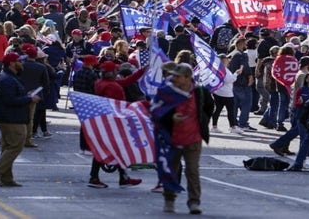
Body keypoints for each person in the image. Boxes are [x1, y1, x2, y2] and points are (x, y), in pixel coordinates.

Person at [154, 63, 214, 215]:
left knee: (192, 171)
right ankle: (169, 199)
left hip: (193, 138)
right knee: (171, 170)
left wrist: (201, 123)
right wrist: (170, 117)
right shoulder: (167, 92)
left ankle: (194, 202)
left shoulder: (200, 92)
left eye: (177, 76)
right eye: (173, 75)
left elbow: (208, 107)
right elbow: (156, 110)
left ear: (188, 78)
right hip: (172, 138)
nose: (173, 78)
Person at [0, 52, 41, 187]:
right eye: (19, 61)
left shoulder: (10, 78)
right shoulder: (7, 79)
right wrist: (29, 98)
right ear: (12, 63)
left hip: (10, 116)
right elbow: (9, 100)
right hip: (11, 118)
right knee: (16, 145)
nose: (22, 64)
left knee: (8, 146)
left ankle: (6, 177)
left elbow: (12, 96)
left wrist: (26, 95)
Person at [87, 60, 145, 189]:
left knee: (112, 148)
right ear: (112, 72)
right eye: (115, 70)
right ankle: (96, 177)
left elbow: (126, 82)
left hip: (105, 120)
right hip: (113, 121)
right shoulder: (112, 86)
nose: (117, 72)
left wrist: (142, 71)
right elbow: (115, 104)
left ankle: (119, 177)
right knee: (114, 148)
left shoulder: (102, 83)